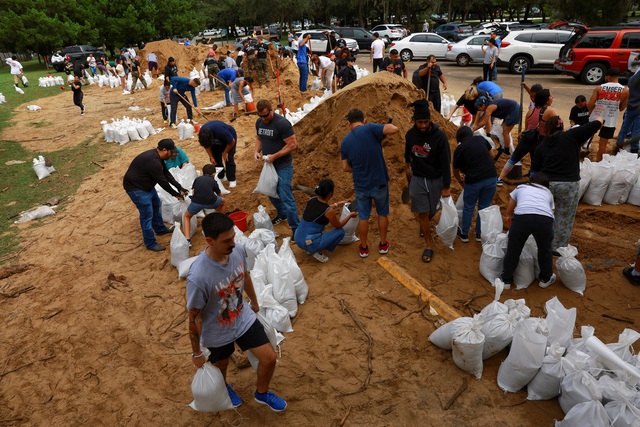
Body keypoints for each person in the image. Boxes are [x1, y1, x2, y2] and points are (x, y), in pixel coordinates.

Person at [186, 213, 287, 412]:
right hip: (217, 332)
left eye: (233, 237)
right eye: (227, 240)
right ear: (210, 241)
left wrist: (255, 303)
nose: (233, 243)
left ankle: (262, 393)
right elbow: (194, 316)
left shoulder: (238, 250)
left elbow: (245, 275)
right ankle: (224, 388)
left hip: (242, 317)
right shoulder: (198, 277)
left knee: (268, 358)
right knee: (221, 366)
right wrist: (196, 352)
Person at [532, 116, 603, 253]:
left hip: (547, 185)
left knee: (544, 214)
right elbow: (594, 126)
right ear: (562, 126)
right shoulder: (572, 136)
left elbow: (535, 167)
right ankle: (557, 247)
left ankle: (540, 242)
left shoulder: (542, 145)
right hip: (568, 185)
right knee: (565, 217)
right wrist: (600, 118)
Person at [341, 109, 399, 258]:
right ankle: (383, 244)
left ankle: (364, 247)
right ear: (364, 120)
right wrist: (383, 128)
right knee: (382, 213)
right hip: (379, 182)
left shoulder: (345, 141)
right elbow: (394, 129)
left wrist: (358, 167)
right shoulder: (371, 128)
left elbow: (345, 167)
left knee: (364, 217)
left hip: (361, 185)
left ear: (349, 123)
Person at [404, 100, 450, 262]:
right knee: (422, 212)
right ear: (415, 121)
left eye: (425, 122)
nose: (423, 125)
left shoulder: (440, 137)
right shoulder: (410, 135)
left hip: (435, 179)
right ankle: (428, 245)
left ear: (430, 121)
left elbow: (446, 162)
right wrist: (408, 170)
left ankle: (424, 225)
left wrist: (446, 186)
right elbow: (407, 155)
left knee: (433, 209)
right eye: (419, 122)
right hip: (417, 178)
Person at [122, 139, 188, 251]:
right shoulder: (153, 161)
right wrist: (175, 194)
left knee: (156, 205)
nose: (173, 155)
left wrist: (179, 187)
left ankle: (160, 229)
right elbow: (162, 181)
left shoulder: (158, 157)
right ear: (165, 150)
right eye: (172, 152)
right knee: (147, 215)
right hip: (136, 189)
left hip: (146, 186)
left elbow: (166, 174)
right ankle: (150, 243)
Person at [500, 172, 557, 288]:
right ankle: (545, 279)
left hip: (522, 218)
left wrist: (511, 219)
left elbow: (509, 210)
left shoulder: (520, 188)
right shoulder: (548, 193)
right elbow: (551, 212)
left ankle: (506, 280)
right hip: (544, 220)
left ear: (530, 181)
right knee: (545, 249)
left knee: (513, 249)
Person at [255, 99, 300, 233]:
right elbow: (259, 138)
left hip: (283, 165)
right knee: (270, 191)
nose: (263, 119)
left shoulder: (282, 124)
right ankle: (282, 214)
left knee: (285, 195)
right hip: (269, 165)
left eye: (265, 115)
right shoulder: (259, 123)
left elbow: (292, 145)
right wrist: (256, 151)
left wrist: (275, 156)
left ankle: (295, 228)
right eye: (260, 116)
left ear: (271, 111)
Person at [498, 89, 557, 184]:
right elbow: (557, 128)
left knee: (512, 159)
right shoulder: (550, 112)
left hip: (526, 140)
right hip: (539, 141)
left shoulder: (530, 111)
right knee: (534, 165)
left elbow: (526, 129)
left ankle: (500, 179)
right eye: (551, 96)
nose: (552, 98)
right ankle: (531, 185)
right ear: (546, 100)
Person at [294, 179, 358, 263]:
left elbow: (321, 209)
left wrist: (337, 204)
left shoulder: (312, 200)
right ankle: (318, 252)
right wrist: (350, 215)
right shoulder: (328, 211)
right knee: (340, 232)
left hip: (298, 237)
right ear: (330, 194)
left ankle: (311, 248)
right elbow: (338, 225)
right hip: (309, 242)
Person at [453, 126, 497, 243]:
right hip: (491, 177)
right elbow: (492, 156)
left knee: (468, 207)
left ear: (459, 139)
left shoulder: (460, 148)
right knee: (484, 207)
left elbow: (455, 170)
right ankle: (479, 234)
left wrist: (461, 181)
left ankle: (464, 234)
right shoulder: (482, 140)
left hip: (473, 180)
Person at [588, 67, 629, 161]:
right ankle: (599, 164)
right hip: (610, 121)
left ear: (608, 77)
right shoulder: (625, 90)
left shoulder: (599, 88)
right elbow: (622, 108)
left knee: (584, 139)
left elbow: (590, 104)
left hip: (595, 117)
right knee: (602, 147)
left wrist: (590, 113)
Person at [183, 165, 226, 244]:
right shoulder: (213, 181)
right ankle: (222, 223)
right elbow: (220, 195)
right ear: (213, 174)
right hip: (211, 202)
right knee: (223, 202)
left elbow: (193, 192)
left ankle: (187, 240)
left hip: (196, 203)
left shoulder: (197, 179)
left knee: (186, 217)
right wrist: (219, 205)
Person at [199, 120, 238, 187]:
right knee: (215, 158)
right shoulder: (202, 134)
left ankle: (232, 179)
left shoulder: (220, 131)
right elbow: (206, 145)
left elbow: (231, 141)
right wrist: (211, 157)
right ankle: (221, 176)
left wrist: (225, 152)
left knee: (228, 158)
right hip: (216, 141)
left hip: (229, 140)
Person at [615, 68, 640, 154]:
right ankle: (635, 149)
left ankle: (619, 144)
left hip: (630, 106)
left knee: (625, 127)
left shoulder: (632, 78)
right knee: (637, 129)